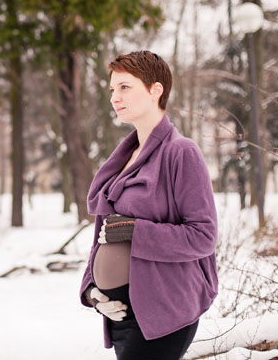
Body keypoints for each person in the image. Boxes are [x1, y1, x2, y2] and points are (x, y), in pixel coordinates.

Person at [79, 50, 218, 360]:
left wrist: (135, 231)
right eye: (112, 89)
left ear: (156, 90)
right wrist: (91, 289)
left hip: (164, 313)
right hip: (120, 315)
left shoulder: (181, 153)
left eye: (125, 87)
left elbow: (203, 236)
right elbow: (103, 234)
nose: (115, 97)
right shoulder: (123, 159)